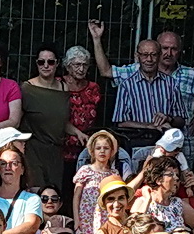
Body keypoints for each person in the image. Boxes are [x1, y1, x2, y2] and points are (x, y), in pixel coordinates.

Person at [109, 39, 184, 161]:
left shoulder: (171, 84)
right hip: (136, 145)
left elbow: (181, 120)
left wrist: (168, 118)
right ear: (137, 56)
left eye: (153, 55)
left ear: (159, 56)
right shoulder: (127, 85)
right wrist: (149, 126)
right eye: (145, 55)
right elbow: (120, 122)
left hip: (167, 147)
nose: (149, 60)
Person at [154, 32, 194, 165]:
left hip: (184, 140)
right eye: (164, 48)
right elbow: (108, 72)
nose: (168, 53)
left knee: (183, 180)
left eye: (174, 49)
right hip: (151, 137)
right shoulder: (146, 73)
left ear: (179, 52)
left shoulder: (192, 75)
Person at [20, 43, 72, 192]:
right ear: (36, 64)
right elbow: (17, 121)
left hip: (56, 151)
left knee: (54, 193)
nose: (46, 66)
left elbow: (61, 120)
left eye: (50, 62)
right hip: (33, 148)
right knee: (36, 191)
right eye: (41, 62)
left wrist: (78, 133)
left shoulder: (64, 88)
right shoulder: (27, 88)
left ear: (57, 64)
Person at [130, 154, 194, 234]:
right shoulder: (142, 202)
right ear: (158, 180)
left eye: (176, 174)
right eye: (171, 174)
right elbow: (135, 231)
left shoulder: (178, 204)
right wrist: (148, 200)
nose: (176, 178)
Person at [62, 27, 108, 169]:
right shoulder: (59, 84)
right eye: (77, 65)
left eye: (84, 65)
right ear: (68, 67)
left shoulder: (93, 88)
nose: (81, 69)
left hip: (87, 145)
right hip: (62, 145)